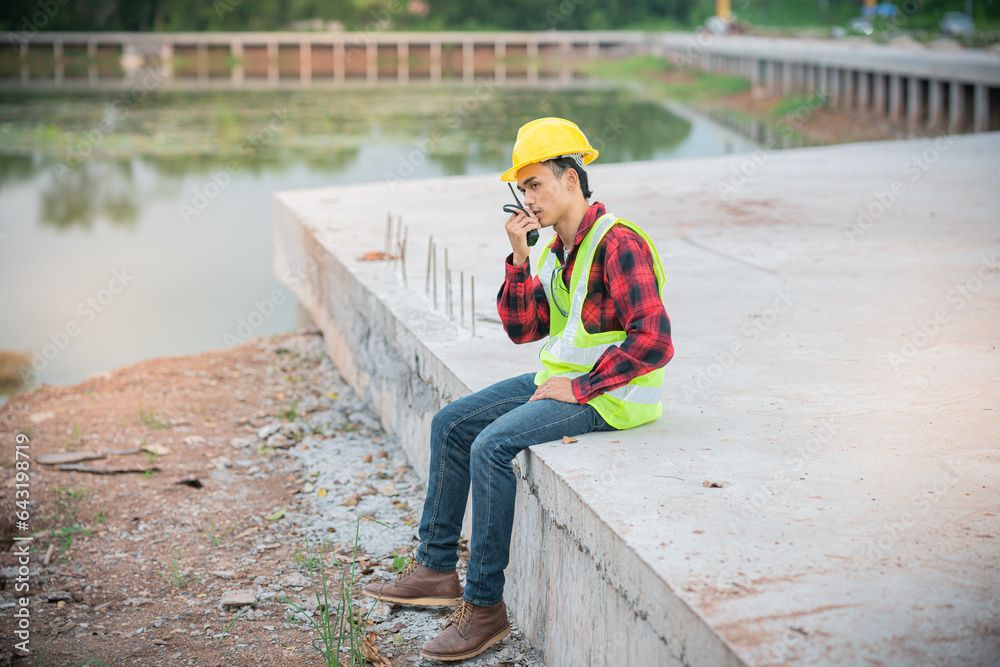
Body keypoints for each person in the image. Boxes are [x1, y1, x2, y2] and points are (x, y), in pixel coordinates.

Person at [363, 117, 674, 662]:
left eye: (535, 184)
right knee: (452, 424)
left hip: (612, 396)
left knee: (490, 446)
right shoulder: (559, 248)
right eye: (521, 188)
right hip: (559, 381)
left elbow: (655, 341)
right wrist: (519, 258)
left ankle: (484, 609)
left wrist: (580, 388)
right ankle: (436, 571)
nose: (526, 198)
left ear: (571, 179)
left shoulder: (617, 243)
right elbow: (523, 329)